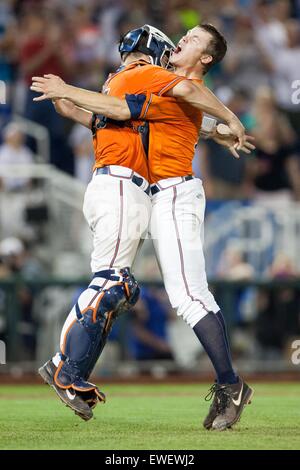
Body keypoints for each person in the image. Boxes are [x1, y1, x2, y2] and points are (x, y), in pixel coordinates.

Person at [31, 24, 254, 430]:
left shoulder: (170, 80)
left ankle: (230, 384)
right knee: (121, 285)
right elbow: (134, 115)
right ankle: (67, 366)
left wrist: (228, 120)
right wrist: (217, 130)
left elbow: (179, 97)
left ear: (206, 57)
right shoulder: (161, 85)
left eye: (193, 40)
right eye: (182, 36)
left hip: (174, 193)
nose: (182, 39)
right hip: (147, 193)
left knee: (186, 295)